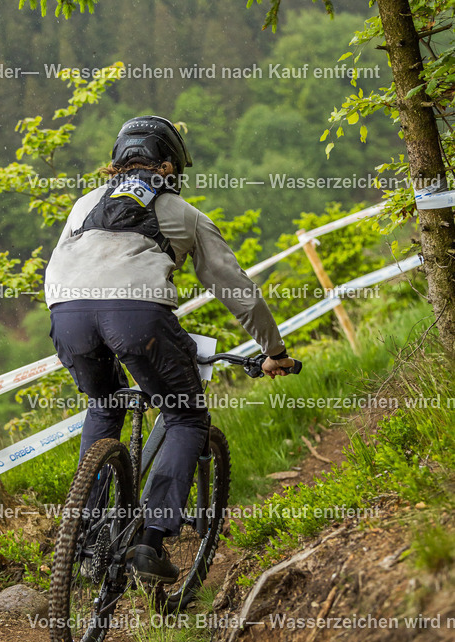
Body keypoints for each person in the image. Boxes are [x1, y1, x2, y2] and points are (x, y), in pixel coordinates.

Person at [44, 115, 294, 582]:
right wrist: (273, 349)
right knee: (185, 415)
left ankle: (85, 534)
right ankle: (151, 541)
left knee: (104, 404)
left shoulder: (83, 204)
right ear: (169, 167)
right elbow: (235, 287)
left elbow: (67, 265)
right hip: (137, 317)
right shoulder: (181, 212)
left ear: (118, 162)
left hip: (66, 314)